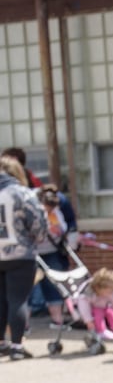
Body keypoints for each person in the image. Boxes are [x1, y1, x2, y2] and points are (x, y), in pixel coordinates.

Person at [0, 154, 47, 360]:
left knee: (0, 300)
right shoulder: (22, 193)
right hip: (19, 253)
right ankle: (17, 346)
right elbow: (38, 224)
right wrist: (37, 238)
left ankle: (1, 342)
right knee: (17, 300)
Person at [31, 183, 78, 328]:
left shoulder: (58, 208)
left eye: (52, 208)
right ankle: (22, 325)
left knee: (53, 285)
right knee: (27, 287)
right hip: (32, 252)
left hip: (52, 251)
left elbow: (67, 225)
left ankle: (57, 320)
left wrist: (63, 232)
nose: (49, 211)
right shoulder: (31, 207)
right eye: (47, 208)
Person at [85, 268, 113, 342]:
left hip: (105, 307)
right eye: (108, 291)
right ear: (98, 288)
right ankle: (101, 331)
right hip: (93, 309)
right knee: (98, 315)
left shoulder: (110, 293)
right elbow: (84, 309)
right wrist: (88, 321)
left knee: (112, 313)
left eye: (112, 290)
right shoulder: (88, 295)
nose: (110, 293)